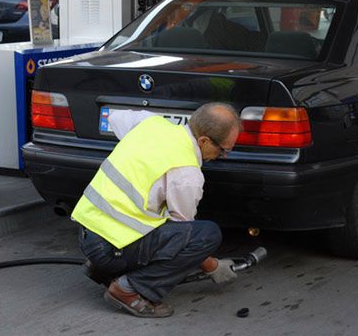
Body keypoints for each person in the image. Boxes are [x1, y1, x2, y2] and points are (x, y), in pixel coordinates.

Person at [72, 102, 242, 318]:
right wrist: (211, 266)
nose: (224, 155)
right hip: (109, 250)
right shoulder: (187, 173)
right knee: (206, 235)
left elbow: (113, 117)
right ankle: (128, 289)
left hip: (87, 233)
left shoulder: (150, 123)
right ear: (204, 141)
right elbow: (183, 234)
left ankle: (102, 268)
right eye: (223, 149)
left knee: (155, 219)